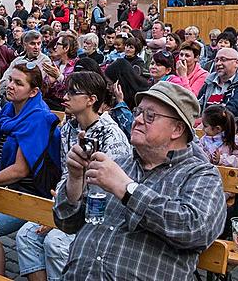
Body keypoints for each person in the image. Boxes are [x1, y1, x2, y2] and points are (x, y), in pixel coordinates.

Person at [53, 81, 226, 279]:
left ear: (177, 129)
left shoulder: (201, 175)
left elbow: (196, 229)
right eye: (138, 112)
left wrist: (127, 189)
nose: (137, 120)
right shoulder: (118, 164)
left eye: (150, 116)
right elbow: (67, 223)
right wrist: (75, 179)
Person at [15, 71, 131, 281]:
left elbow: (108, 194)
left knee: (55, 242)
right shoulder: (69, 127)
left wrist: (64, 216)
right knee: (26, 236)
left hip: (99, 216)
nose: (64, 97)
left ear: (91, 100)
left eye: (72, 92)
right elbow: (66, 174)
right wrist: (59, 203)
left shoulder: (111, 136)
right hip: (69, 203)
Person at [0, 64, 60, 275]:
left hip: (29, 193)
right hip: (5, 185)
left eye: (18, 83)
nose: (10, 86)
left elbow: (20, 170)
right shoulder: (9, 110)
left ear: (33, 92)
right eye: (11, 80)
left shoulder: (38, 117)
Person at [197, 47, 238, 133]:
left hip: (234, 134)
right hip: (205, 132)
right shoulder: (209, 82)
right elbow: (197, 105)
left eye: (223, 60)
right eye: (216, 60)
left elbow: (232, 110)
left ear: (236, 63)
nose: (218, 63)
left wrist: (207, 123)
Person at [198, 105, 238, 175]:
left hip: (228, 178)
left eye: (205, 126)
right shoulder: (204, 140)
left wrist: (221, 159)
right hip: (207, 175)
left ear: (218, 129)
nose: (202, 129)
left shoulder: (234, 140)